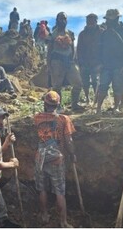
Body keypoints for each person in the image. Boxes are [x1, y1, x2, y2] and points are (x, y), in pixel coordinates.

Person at [34, 91, 76, 228]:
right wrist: (72, 154)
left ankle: (44, 215)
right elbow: (69, 140)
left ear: (45, 104)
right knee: (59, 191)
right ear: (58, 104)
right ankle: (63, 222)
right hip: (56, 159)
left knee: (42, 189)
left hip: (40, 157)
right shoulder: (64, 119)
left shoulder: (37, 118)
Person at [47, 12, 84, 112]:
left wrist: (72, 60)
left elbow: (72, 49)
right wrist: (49, 64)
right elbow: (49, 50)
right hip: (56, 62)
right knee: (57, 86)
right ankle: (58, 107)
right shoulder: (53, 34)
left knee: (78, 83)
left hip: (68, 61)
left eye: (64, 19)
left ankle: (74, 104)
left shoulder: (70, 33)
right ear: (57, 20)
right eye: (60, 19)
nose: (63, 21)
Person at [95, 9, 123, 115]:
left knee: (118, 87)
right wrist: (99, 63)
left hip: (119, 65)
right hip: (106, 65)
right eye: (107, 19)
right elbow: (99, 50)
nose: (108, 22)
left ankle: (116, 108)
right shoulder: (104, 33)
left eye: (110, 19)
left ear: (117, 19)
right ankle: (98, 108)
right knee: (103, 86)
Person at [76, 13, 104, 104]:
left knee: (96, 82)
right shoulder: (82, 34)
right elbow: (79, 49)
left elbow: (105, 48)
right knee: (85, 82)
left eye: (92, 21)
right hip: (85, 62)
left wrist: (102, 62)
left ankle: (96, 100)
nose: (90, 23)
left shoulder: (102, 32)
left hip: (97, 62)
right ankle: (87, 98)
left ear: (96, 21)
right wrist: (80, 63)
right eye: (88, 21)